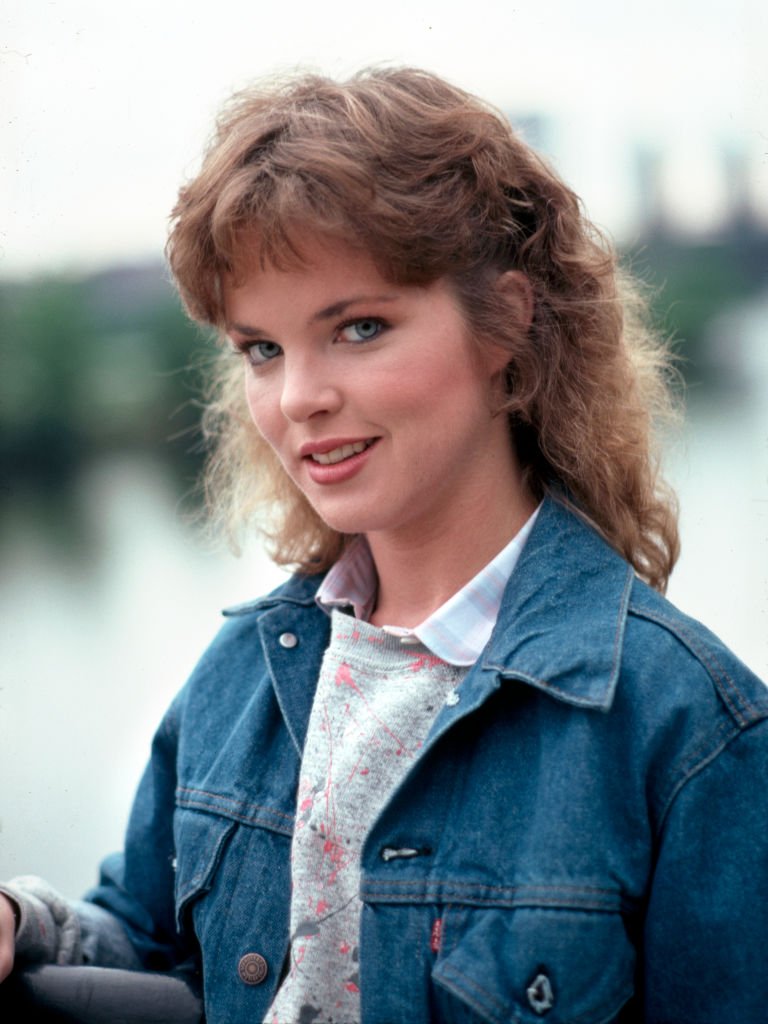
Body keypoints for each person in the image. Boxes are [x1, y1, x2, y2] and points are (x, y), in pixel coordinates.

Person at [1, 66, 767, 1024]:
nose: (298, 399)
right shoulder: (244, 674)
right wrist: (16, 923)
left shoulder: (689, 731)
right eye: (262, 350)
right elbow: (149, 945)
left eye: (359, 328)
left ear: (508, 323)